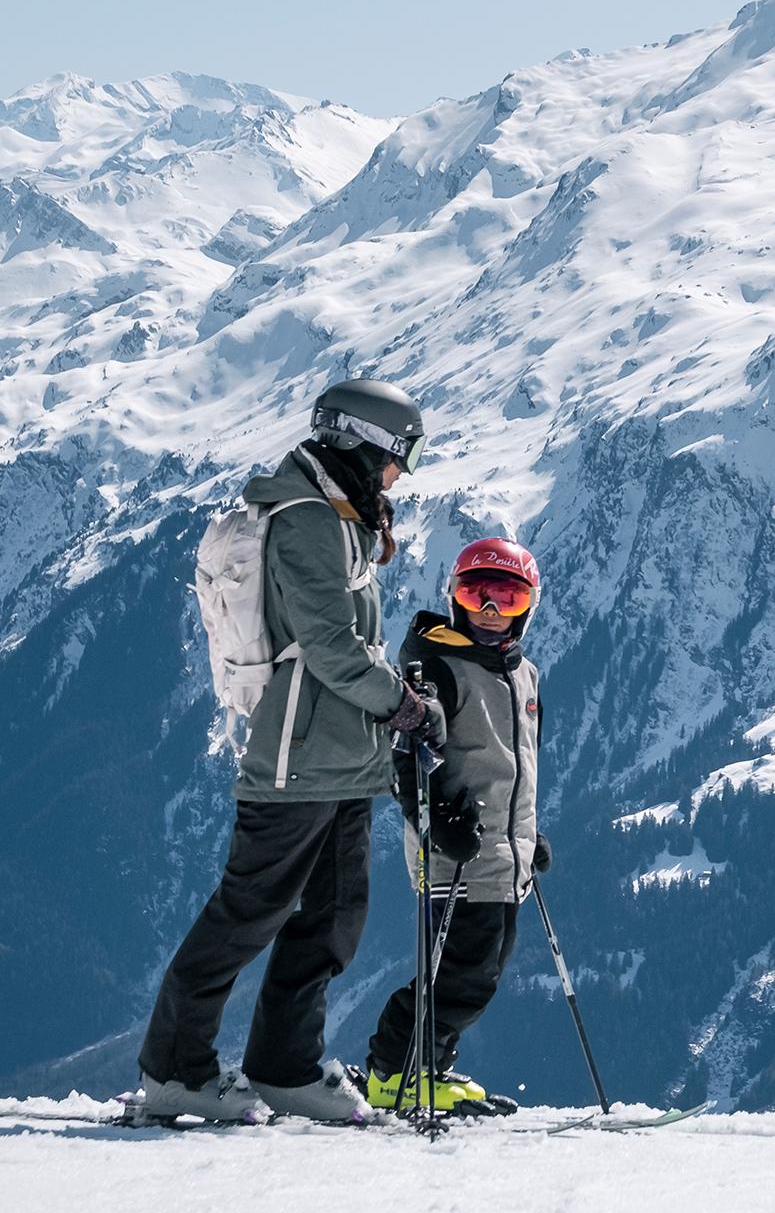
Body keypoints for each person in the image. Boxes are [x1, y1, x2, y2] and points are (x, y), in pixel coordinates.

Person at [137, 378, 443, 1123]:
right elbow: (331, 648)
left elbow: (346, 645)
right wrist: (402, 703)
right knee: (250, 909)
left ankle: (283, 1065)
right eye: (398, 459)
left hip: (342, 755)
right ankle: (175, 1069)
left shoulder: (339, 515)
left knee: (335, 916)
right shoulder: (307, 519)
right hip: (296, 754)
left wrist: (390, 694)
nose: (400, 475)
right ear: (362, 446)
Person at [362, 537, 545, 1115]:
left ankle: (428, 1066)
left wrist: (527, 836)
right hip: (456, 851)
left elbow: (515, 765)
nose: (491, 610)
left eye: (507, 598)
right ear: (455, 597)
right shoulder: (437, 666)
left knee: (480, 970)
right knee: (460, 970)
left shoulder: (524, 675)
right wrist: (436, 821)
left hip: (502, 855)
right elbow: (406, 758)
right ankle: (394, 1073)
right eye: (477, 594)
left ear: (528, 607)